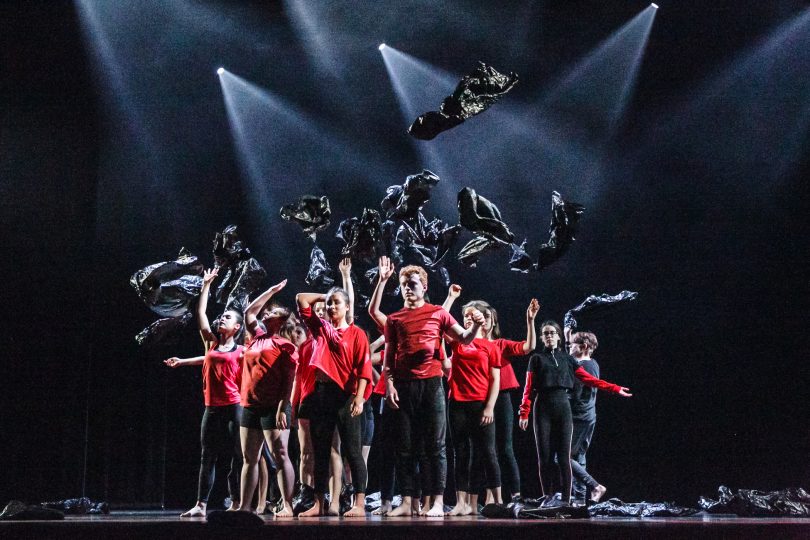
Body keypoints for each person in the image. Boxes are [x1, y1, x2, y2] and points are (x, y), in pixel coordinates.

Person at [376, 256, 485, 517]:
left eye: (412, 283)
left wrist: (478, 325)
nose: (407, 288)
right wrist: (389, 384)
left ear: (424, 286)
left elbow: (464, 339)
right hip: (403, 386)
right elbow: (389, 356)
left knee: (434, 446)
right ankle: (406, 501)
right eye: (403, 284)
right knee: (404, 446)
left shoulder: (438, 313)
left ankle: (436, 501)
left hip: (432, 384)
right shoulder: (395, 319)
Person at [518, 320, 631, 505]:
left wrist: (614, 388)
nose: (549, 336)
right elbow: (528, 387)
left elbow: (590, 379)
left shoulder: (568, 359)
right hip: (543, 407)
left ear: (558, 336)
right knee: (545, 456)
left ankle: (566, 499)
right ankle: (548, 496)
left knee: (564, 456)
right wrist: (524, 412)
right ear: (541, 337)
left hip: (564, 408)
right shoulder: (536, 359)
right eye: (545, 333)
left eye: (552, 333)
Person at [164, 267, 244, 517]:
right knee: (207, 456)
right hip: (212, 406)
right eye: (222, 317)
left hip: (234, 406)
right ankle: (201, 504)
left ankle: (236, 502)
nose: (222, 319)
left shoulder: (242, 350)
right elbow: (200, 312)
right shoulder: (211, 343)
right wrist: (207, 284)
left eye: (227, 318)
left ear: (238, 327)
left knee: (236, 457)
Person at [295, 284, 372, 517]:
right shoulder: (321, 329)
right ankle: (319, 504)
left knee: (352, 451)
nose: (331, 306)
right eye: (329, 303)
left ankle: (359, 503)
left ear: (348, 307)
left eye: (337, 302)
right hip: (321, 395)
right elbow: (301, 299)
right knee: (320, 451)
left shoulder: (356, 333)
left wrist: (359, 399)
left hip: (346, 397)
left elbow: (364, 369)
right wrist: (325, 295)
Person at [236, 279, 298, 516]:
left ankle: (288, 505)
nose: (266, 312)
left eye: (272, 312)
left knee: (281, 454)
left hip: (274, 405)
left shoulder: (286, 346)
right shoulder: (257, 337)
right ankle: (244, 507)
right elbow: (248, 311)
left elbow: (289, 380)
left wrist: (284, 406)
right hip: (250, 403)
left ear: (281, 321)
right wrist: (271, 290)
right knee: (249, 458)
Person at [444, 302, 502, 516]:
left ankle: (499, 501)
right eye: (465, 316)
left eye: (472, 316)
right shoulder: (457, 342)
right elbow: (440, 322)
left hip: (481, 405)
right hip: (457, 403)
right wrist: (450, 298)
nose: (467, 319)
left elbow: (495, 379)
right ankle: (461, 503)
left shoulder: (490, 346)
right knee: (461, 453)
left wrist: (489, 407)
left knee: (488, 452)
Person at [567, 331, 607, 503]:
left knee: (561, 456)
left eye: (572, 345)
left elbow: (574, 395)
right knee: (578, 456)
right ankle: (579, 499)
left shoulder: (582, 367)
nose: (569, 347)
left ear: (583, 347)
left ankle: (595, 486)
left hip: (578, 417)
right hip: (589, 415)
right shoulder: (593, 364)